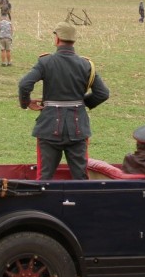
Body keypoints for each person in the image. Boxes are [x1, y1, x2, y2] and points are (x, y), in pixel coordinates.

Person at [18, 22, 110, 180]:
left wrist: (26, 103)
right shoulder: (86, 65)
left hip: (49, 127)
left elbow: (24, 84)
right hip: (77, 127)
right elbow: (102, 93)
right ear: (73, 41)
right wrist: (83, 104)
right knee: (80, 177)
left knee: (44, 177)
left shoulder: (45, 62)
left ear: (57, 39)